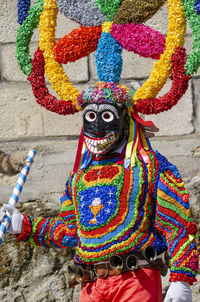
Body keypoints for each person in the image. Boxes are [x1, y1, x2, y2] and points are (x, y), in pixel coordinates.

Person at [0, 82, 198, 302]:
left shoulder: (151, 166)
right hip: (91, 287)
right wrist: (22, 225)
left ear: (125, 119)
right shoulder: (78, 177)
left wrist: (181, 279)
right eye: (91, 118)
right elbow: (70, 232)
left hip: (135, 281)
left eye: (106, 117)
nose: (97, 128)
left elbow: (177, 225)